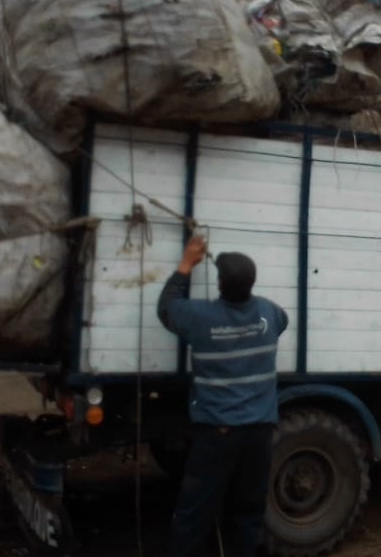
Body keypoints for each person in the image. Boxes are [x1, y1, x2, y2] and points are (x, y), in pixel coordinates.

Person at [157, 234, 289, 557]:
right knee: (246, 515)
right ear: (252, 283)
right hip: (259, 435)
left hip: (217, 435)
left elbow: (167, 308)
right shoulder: (269, 314)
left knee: (194, 515)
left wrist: (186, 263)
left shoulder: (200, 318)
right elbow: (282, 322)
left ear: (219, 285)